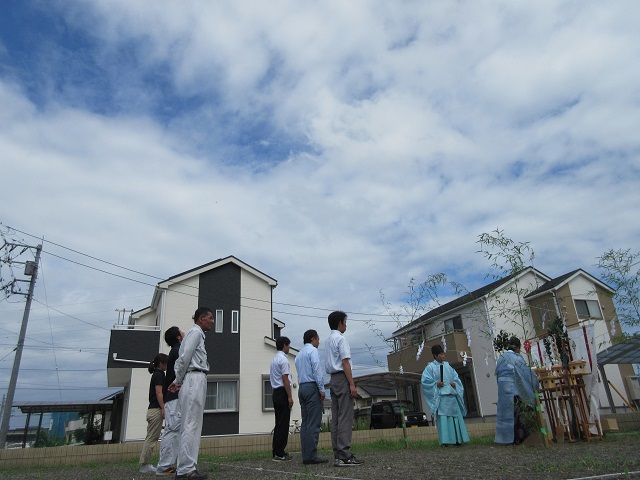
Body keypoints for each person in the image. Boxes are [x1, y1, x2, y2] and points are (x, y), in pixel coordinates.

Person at [169, 307, 214, 480]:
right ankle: (186, 470)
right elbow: (184, 357)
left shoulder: (196, 334)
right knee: (190, 424)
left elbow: (184, 357)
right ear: (201, 318)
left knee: (192, 424)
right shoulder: (195, 333)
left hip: (196, 378)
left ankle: (187, 467)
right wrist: (178, 380)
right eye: (210, 318)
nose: (212, 321)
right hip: (194, 378)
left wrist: (179, 380)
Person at [325, 311, 364, 467]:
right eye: (345, 322)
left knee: (336, 418)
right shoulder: (341, 339)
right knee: (346, 417)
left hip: (332, 380)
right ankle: (345, 455)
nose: (346, 325)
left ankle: (337, 454)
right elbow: (345, 363)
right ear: (340, 323)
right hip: (342, 378)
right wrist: (352, 384)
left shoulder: (328, 341)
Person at [421, 344, 470, 446]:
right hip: (442, 397)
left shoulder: (448, 366)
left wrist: (454, 384)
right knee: (444, 420)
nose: (443, 356)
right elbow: (425, 382)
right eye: (441, 354)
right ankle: (446, 441)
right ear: (435, 356)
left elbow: (456, 378)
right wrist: (436, 384)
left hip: (452, 396)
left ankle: (457, 440)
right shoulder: (430, 368)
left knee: (455, 419)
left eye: (443, 354)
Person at [495, 336, 540, 445]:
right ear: (518, 348)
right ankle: (519, 438)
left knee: (506, 414)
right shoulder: (516, 358)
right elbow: (525, 373)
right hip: (513, 389)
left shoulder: (501, 358)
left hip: (503, 388)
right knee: (519, 415)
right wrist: (535, 377)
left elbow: (497, 373)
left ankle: (504, 438)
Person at [294, 329, 328, 465]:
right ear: (313, 339)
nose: (319, 342)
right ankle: (311, 456)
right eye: (318, 339)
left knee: (306, 423)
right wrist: (322, 389)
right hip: (312, 387)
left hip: (302, 387)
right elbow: (316, 370)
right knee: (314, 423)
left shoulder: (299, 354)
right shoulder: (312, 351)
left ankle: (306, 455)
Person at [155, 326, 184, 476]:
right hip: (173, 397)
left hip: (173, 397)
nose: (184, 332)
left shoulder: (175, 350)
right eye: (181, 331)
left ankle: (169, 464)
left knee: (175, 430)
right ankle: (164, 465)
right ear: (178, 337)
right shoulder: (178, 350)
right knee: (172, 430)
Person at [139, 353, 168, 474]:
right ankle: (144, 464)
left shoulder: (157, 374)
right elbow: (159, 392)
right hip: (155, 409)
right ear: (161, 364)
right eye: (165, 363)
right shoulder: (158, 375)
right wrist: (163, 408)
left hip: (153, 409)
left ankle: (144, 463)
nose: (167, 365)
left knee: (151, 437)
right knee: (152, 437)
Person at [270, 336, 294, 461]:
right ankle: (280, 452)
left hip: (275, 392)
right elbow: (285, 379)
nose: (289, 348)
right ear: (284, 345)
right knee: (284, 424)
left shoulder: (274, 359)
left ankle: (276, 450)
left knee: (278, 423)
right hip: (282, 392)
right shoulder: (283, 360)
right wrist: (290, 396)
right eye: (288, 346)